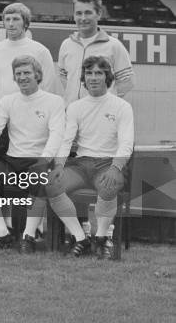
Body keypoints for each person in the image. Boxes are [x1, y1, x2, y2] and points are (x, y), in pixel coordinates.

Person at [47, 56, 134, 259]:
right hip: (80, 164)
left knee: (108, 185)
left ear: (107, 76)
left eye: (98, 73)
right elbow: (66, 139)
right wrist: (59, 164)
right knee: (51, 184)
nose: (93, 78)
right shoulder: (76, 106)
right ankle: (80, 239)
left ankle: (102, 238)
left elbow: (126, 143)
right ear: (83, 78)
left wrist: (116, 167)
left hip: (109, 163)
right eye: (89, 73)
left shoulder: (121, 106)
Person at [0, 55, 65, 252]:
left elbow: (57, 133)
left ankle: (29, 236)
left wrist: (45, 159)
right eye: (18, 74)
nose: (22, 77)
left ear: (37, 75)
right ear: (14, 78)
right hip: (11, 161)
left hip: (39, 160)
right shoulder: (8, 101)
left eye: (27, 73)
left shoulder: (54, 101)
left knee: (40, 181)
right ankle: (2, 234)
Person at [58, 0, 134, 106]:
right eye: (78, 13)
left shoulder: (113, 45)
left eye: (88, 13)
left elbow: (127, 81)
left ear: (99, 14)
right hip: (72, 114)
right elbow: (64, 77)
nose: (83, 18)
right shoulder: (66, 45)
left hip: (100, 116)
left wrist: (106, 102)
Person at [0, 3, 58, 102]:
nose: (11, 24)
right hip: (5, 111)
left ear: (25, 23)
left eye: (16, 19)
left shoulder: (41, 51)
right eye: (7, 19)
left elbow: (49, 87)